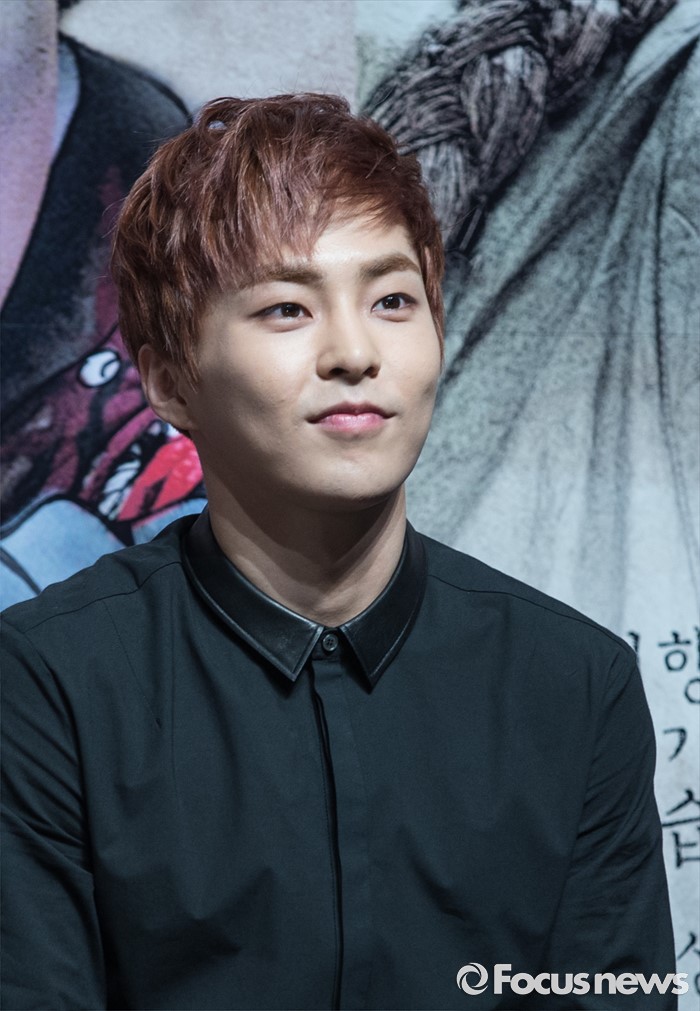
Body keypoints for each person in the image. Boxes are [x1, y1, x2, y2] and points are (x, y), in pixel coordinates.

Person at [1, 94, 677, 1011]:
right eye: (287, 308)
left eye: (393, 301)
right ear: (168, 380)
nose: (355, 352)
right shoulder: (50, 685)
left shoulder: (574, 683)